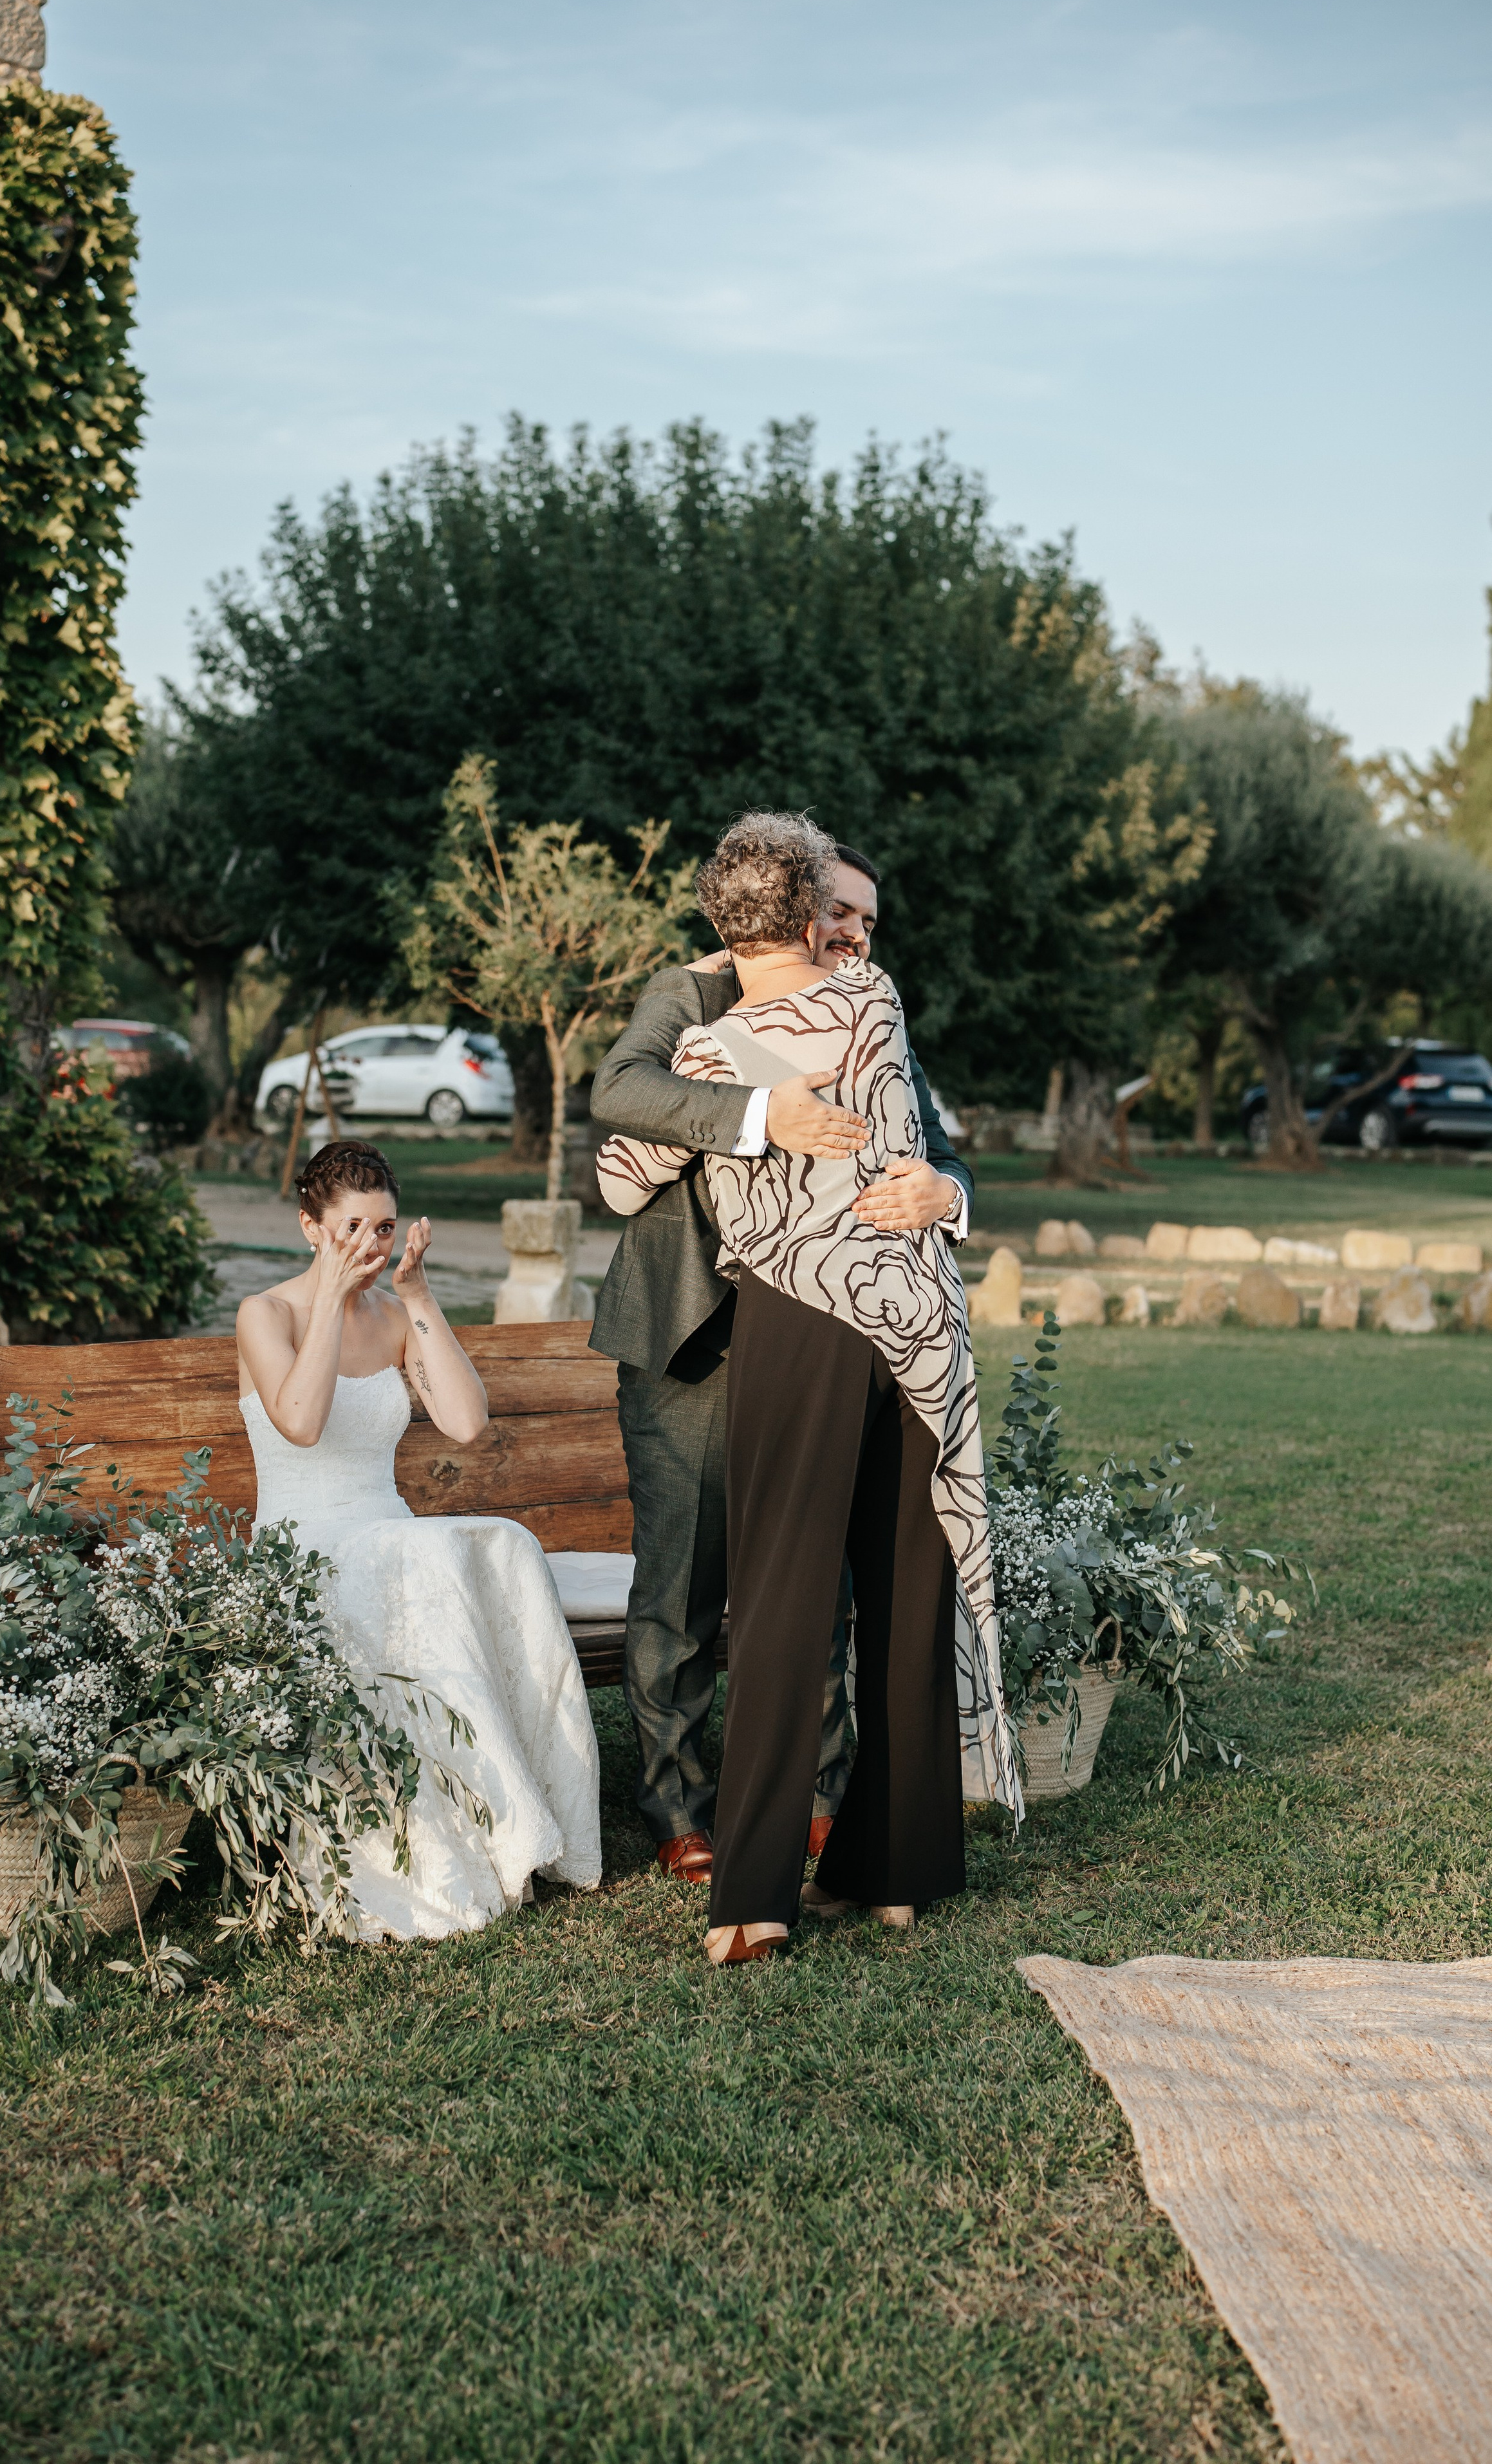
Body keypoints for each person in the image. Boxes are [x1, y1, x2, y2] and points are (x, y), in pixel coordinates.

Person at [596, 812, 1019, 1965]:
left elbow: (916, 1141)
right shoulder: (686, 1002)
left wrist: (947, 1191)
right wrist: (757, 1113)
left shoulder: (784, 1017)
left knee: (838, 1592)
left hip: (815, 1320)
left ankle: (810, 1869)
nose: (856, 937)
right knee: (692, 1586)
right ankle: (706, 1824)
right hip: (713, 1329)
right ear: (801, 909)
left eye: (869, 924)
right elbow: (615, 1101)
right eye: (840, 914)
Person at [236, 1137, 602, 1939]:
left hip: (386, 1537)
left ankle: (514, 1814)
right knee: (422, 1555)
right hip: (305, 1548)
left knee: (503, 1541)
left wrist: (421, 1297)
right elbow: (300, 1423)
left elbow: (466, 1425)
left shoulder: (394, 1313)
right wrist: (331, 1300)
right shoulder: (266, 1313)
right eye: (352, 1228)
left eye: (385, 1227)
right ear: (311, 1228)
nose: (370, 1245)